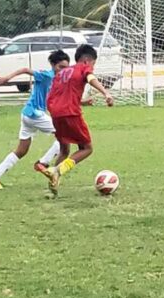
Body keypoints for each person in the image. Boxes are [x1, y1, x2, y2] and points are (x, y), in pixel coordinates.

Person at [0, 50, 70, 190]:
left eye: (66, 68)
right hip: (35, 115)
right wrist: (7, 78)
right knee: (65, 135)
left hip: (27, 114)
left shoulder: (59, 80)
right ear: (53, 65)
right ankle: (43, 163)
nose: (63, 70)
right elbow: (25, 69)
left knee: (22, 150)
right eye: (61, 67)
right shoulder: (46, 75)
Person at [45, 44, 114, 196]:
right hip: (71, 113)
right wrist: (106, 93)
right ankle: (57, 170)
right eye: (93, 64)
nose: (93, 68)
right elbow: (91, 78)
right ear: (87, 60)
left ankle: (52, 187)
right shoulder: (83, 68)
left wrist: (80, 102)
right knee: (86, 148)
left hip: (55, 114)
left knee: (64, 150)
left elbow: (55, 95)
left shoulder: (61, 73)